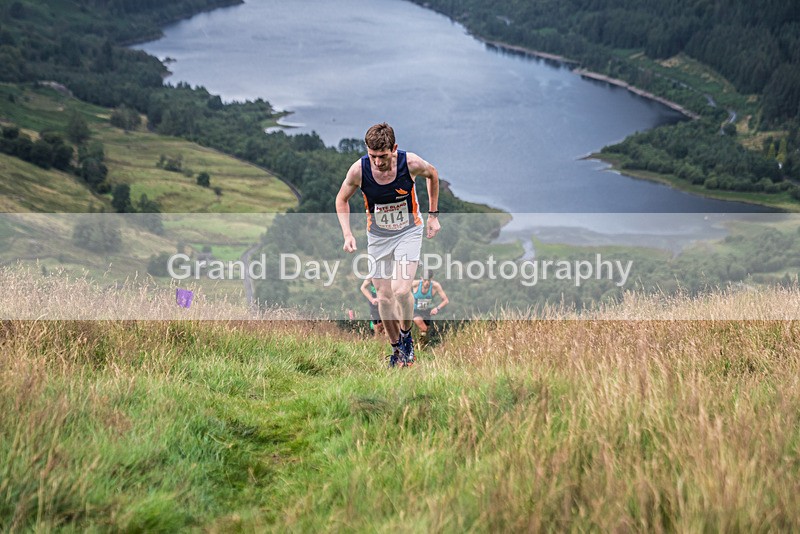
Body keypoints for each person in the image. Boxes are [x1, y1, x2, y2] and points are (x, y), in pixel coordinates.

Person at [336, 122, 440, 367]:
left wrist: (433, 215)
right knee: (383, 298)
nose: (378, 162)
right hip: (378, 237)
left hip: (408, 232)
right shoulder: (359, 170)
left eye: (383, 156)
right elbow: (342, 199)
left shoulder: (410, 163)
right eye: (373, 156)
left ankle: (406, 338)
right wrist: (347, 234)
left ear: (394, 148)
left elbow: (433, 174)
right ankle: (397, 352)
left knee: (401, 290)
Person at [412, 271, 449, 345]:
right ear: (421, 278)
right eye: (424, 280)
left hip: (426, 311)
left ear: (431, 279)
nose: (426, 283)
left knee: (425, 331)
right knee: (423, 328)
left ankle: (419, 347)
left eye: (428, 280)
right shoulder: (415, 284)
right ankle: (417, 347)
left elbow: (446, 300)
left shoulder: (435, 286)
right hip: (414, 310)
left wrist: (437, 308)